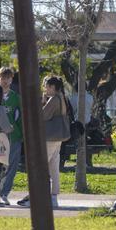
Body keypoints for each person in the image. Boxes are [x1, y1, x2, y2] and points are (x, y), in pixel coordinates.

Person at [37, 76, 71, 208]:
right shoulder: (62, 97)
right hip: (58, 137)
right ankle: (53, 196)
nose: (45, 89)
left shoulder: (54, 99)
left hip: (50, 137)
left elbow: (43, 115)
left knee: (42, 166)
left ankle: (41, 194)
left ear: (52, 87)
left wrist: (43, 103)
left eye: (46, 86)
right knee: (54, 167)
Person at [0, 67, 24, 204]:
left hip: (14, 137)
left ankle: (4, 193)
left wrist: (22, 135)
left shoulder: (16, 98)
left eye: (8, 78)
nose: (5, 81)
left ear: (11, 79)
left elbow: (21, 118)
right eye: (3, 78)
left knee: (12, 166)